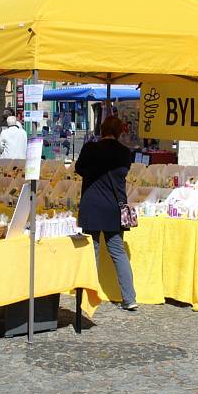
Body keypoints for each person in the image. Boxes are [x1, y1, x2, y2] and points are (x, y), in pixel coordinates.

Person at [75, 116, 137, 311]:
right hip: (113, 207)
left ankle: (89, 297)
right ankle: (129, 297)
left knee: (90, 252)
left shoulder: (90, 149)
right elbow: (123, 172)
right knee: (118, 252)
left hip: (91, 205)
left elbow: (79, 169)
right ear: (119, 131)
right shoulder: (124, 153)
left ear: (101, 129)